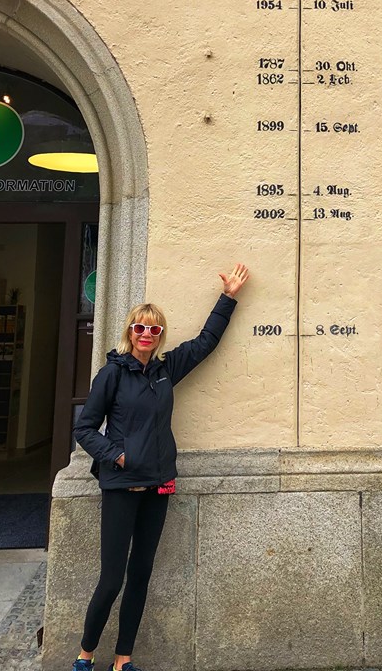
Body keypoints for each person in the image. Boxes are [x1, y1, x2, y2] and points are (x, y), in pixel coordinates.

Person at [71, 262, 249, 671]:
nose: (146, 335)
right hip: (121, 486)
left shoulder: (167, 371)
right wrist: (117, 456)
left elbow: (205, 343)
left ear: (160, 335)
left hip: (158, 486)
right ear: (129, 332)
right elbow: (84, 427)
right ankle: (85, 655)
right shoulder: (113, 374)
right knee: (112, 578)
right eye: (140, 328)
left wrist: (228, 298)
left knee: (141, 575)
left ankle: (123, 659)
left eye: (154, 329)